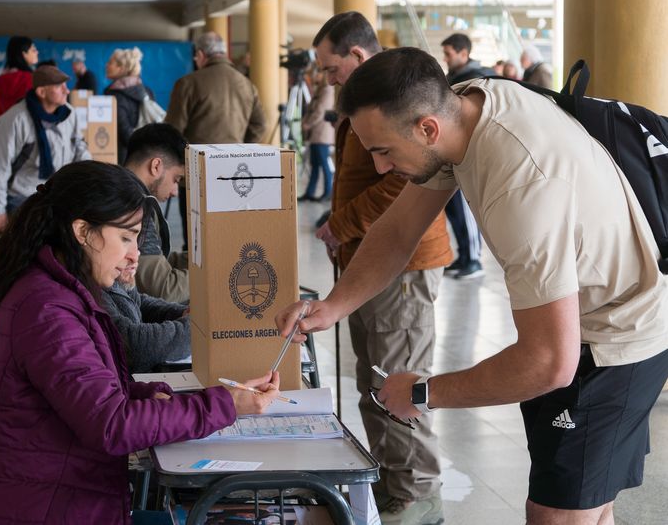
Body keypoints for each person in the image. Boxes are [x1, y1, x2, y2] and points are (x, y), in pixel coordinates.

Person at [277, 47, 668, 525]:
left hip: (616, 337)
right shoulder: (464, 104)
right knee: (582, 504)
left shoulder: (523, 189)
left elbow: (549, 362)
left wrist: (423, 393)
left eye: (382, 151)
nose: (379, 168)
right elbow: (398, 230)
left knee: (558, 515)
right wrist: (333, 307)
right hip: (583, 318)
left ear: (426, 128)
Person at [0, 161, 280, 524]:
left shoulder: (57, 290)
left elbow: (88, 393)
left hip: (57, 500)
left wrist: (147, 396)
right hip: (47, 508)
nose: (134, 255)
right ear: (82, 231)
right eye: (126, 238)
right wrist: (225, 406)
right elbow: (111, 425)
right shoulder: (47, 311)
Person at [311, 12, 452, 524]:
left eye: (332, 69)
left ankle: (418, 496)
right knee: (375, 383)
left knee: (400, 383)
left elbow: (402, 184)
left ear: (356, 55)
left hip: (404, 265)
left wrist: (341, 224)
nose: (328, 80)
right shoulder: (360, 108)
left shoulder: (391, 107)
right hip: (365, 262)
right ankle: (393, 489)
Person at [165, 31, 267, 249]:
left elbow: (172, 131)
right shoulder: (246, 84)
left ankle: (196, 276)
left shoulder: (188, 83)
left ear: (201, 54)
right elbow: (260, 125)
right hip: (234, 172)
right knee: (227, 231)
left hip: (195, 174)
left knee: (196, 238)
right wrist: (239, 149)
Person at [0, 65, 90, 235]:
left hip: (58, 192)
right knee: (43, 236)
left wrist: (92, 173)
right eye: (59, 86)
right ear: (41, 92)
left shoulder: (69, 114)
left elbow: (79, 146)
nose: (67, 91)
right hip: (22, 196)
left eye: (66, 85)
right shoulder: (16, 120)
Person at [441, 33, 492, 279]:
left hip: (467, 155)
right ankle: (463, 256)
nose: (446, 58)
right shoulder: (453, 78)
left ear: (464, 53)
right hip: (450, 155)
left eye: (449, 54)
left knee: (464, 210)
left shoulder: (478, 78)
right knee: (454, 212)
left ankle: (473, 259)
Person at [124, 123, 189, 303]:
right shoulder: (133, 205)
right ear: (156, 166)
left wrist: (205, 258)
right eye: (176, 179)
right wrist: (219, 271)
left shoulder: (122, 189)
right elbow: (163, 289)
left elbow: (156, 259)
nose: (175, 191)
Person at [103, 254, 189, 374]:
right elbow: (131, 345)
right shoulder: (92, 289)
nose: (136, 253)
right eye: (125, 239)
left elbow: (136, 303)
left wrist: (180, 312)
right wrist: (195, 327)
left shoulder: (112, 281)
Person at [104, 47, 156, 164]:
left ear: (122, 68)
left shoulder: (114, 95)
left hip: (121, 160)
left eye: (110, 62)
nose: (106, 65)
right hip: (146, 157)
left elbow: (124, 134)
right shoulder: (147, 91)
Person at [299, 69, 335, 202]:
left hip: (321, 134)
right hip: (315, 134)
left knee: (324, 163)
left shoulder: (327, 90)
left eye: (317, 73)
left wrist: (308, 124)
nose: (314, 75)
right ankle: (310, 192)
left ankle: (327, 192)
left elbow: (320, 112)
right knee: (314, 164)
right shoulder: (319, 90)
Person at [0, 36, 38, 117]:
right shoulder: (30, 78)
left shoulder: (2, 79)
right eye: (33, 50)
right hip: (25, 125)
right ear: (24, 54)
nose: (37, 52)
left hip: (5, 125)